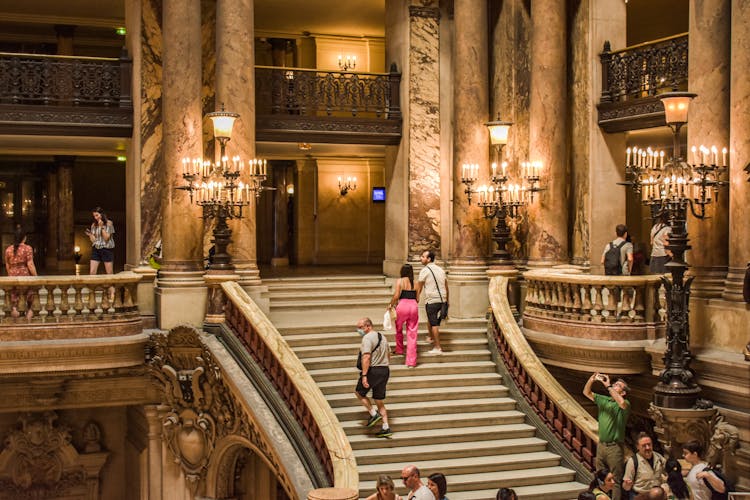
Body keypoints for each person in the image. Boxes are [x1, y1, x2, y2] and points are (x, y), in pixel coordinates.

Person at [583, 373, 630, 500]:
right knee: (599, 477)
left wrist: (608, 385)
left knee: (615, 480)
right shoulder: (604, 400)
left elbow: (621, 403)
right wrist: (591, 379)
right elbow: (586, 392)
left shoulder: (624, 403)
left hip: (614, 447)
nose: (614, 386)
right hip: (602, 445)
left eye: (618, 386)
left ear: (623, 392)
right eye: (614, 384)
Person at [354, 317, 392, 438]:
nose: (358, 330)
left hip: (373, 370)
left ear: (368, 326)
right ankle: (386, 427)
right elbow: (389, 354)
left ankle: (373, 414)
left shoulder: (367, 338)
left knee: (359, 392)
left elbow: (366, 357)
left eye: (360, 327)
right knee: (378, 399)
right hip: (385, 370)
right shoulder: (383, 337)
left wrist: (365, 375)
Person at [416, 250, 448, 354]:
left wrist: (416, 299)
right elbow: (446, 286)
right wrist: (447, 301)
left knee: (434, 324)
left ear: (429, 259)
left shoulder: (425, 270)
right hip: (442, 299)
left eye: (423, 256)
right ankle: (430, 337)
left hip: (432, 300)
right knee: (431, 318)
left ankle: (438, 347)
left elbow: (419, 287)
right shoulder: (440, 269)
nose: (421, 258)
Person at [4, 227, 38, 319]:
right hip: (24, 274)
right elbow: (30, 264)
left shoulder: (8, 249)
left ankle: (15, 310)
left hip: (12, 274)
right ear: (24, 237)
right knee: (29, 293)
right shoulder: (27, 248)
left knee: (14, 294)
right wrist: (36, 276)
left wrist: (10, 274)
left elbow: (7, 264)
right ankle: (29, 312)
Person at [390, 264, 419, 367]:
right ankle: (411, 362)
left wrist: (390, 304)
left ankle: (399, 349)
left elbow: (397, 295)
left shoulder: (400, 281)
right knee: (412, 334)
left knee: (398, 329)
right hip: (414, 307)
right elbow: (418, 299)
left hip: (402, 306)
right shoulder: (416, 283)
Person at [623, 432, 666, 498]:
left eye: (649, 444)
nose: (647, 448)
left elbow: (667, 473)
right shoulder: (633, 462)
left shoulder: (659, 457)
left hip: (657, 496)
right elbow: (626, 487)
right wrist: (627, 484)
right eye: (644, 445)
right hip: (640, 496)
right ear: (638, 447)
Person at [86, 206, 115, 275]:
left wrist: (101, 227)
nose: (96, 218)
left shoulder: (109, 223)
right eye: (94, 216)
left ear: (101, 214)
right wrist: (90, 235)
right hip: (96, 249)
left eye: (97, 215)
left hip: (107, 249)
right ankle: (92, 285)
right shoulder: (93, 225)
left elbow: (106, 238)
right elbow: (94, 240)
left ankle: (111, 285)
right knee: (92, 272)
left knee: (109, 273)